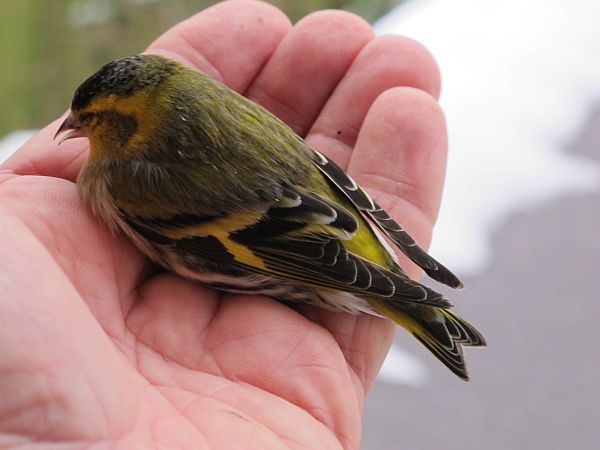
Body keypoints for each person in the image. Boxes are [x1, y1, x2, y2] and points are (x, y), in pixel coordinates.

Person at [0, 1, 447, 448]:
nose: (74, 126)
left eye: (93, 121)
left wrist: (377, 284)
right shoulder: (194, 91)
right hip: (333, 191)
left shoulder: (130, 183)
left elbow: (248, 236)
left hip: (291, 250)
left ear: (128, 126)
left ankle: (411, 306)